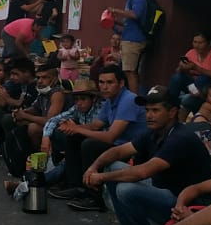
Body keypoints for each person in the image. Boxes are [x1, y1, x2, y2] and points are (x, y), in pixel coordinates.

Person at [79, 85, 211, 225]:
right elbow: (118, 151)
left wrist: (100, 177)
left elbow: (141, 172)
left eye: (156, 110)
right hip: (163, 190)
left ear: (172, 112)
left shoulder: (180, 138)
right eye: (147, 110)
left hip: (184, 204)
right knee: (113, 167)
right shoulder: (153, 132)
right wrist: (93, 167)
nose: (149, 115)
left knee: (126, 189)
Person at [48, 65, 147, 206]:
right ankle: (76, 186)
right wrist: (73, 128)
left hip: (131, 149)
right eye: (101, 82)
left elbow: (111, 136)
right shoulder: (110, 100)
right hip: (118, 144)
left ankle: (95, 198)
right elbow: (95, 125)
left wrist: (79, 129)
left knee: (90, 144)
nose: (104, 87)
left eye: (110, 82)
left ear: (121, 83)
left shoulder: (128, 100)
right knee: (73, 136)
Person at [168, 30, 211, 112]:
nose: (196, 45)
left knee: (202, 78)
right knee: (176, 77)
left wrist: (196, 68)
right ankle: (171, 104)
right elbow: (178, 71)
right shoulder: (191, 52)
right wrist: (182, 68)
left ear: (209, 43)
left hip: (209, 84)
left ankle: (191, 98)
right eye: (195, 42)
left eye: (200, 43)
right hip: (192, 86)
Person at [107, 0, 148, 92]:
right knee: (129, 71)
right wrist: (114, 23)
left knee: (130, 72)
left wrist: (116, 10)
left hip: (133, 40)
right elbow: (129, 24)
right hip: (129, 38)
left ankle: (133, 99)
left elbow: (136, 14)